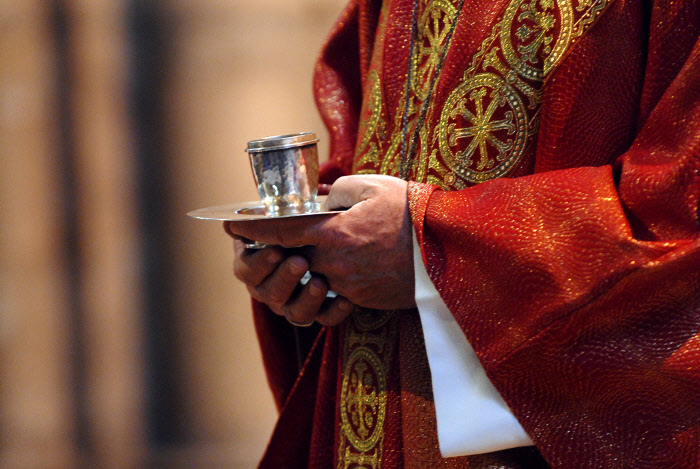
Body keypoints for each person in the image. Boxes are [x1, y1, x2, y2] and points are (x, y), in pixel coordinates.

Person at [225, 0, 700, 467]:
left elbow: (681, 205)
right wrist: (307, 250)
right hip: (376, 396)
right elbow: (366, 138)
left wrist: (437, 246)